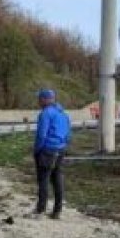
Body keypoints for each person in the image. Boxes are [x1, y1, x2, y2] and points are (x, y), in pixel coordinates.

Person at [33, 88, 71, 219]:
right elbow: (68, 133)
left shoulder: (45, 114)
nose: (38, 101)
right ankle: (57, 210)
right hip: (60, 149)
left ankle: (40, 209)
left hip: (47, 150)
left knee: (43, 179)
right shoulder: (63, 113)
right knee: (57, 180)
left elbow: (41, 135)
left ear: (45, 99)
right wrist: (63, 146)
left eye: (40, 99)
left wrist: (37, 150)